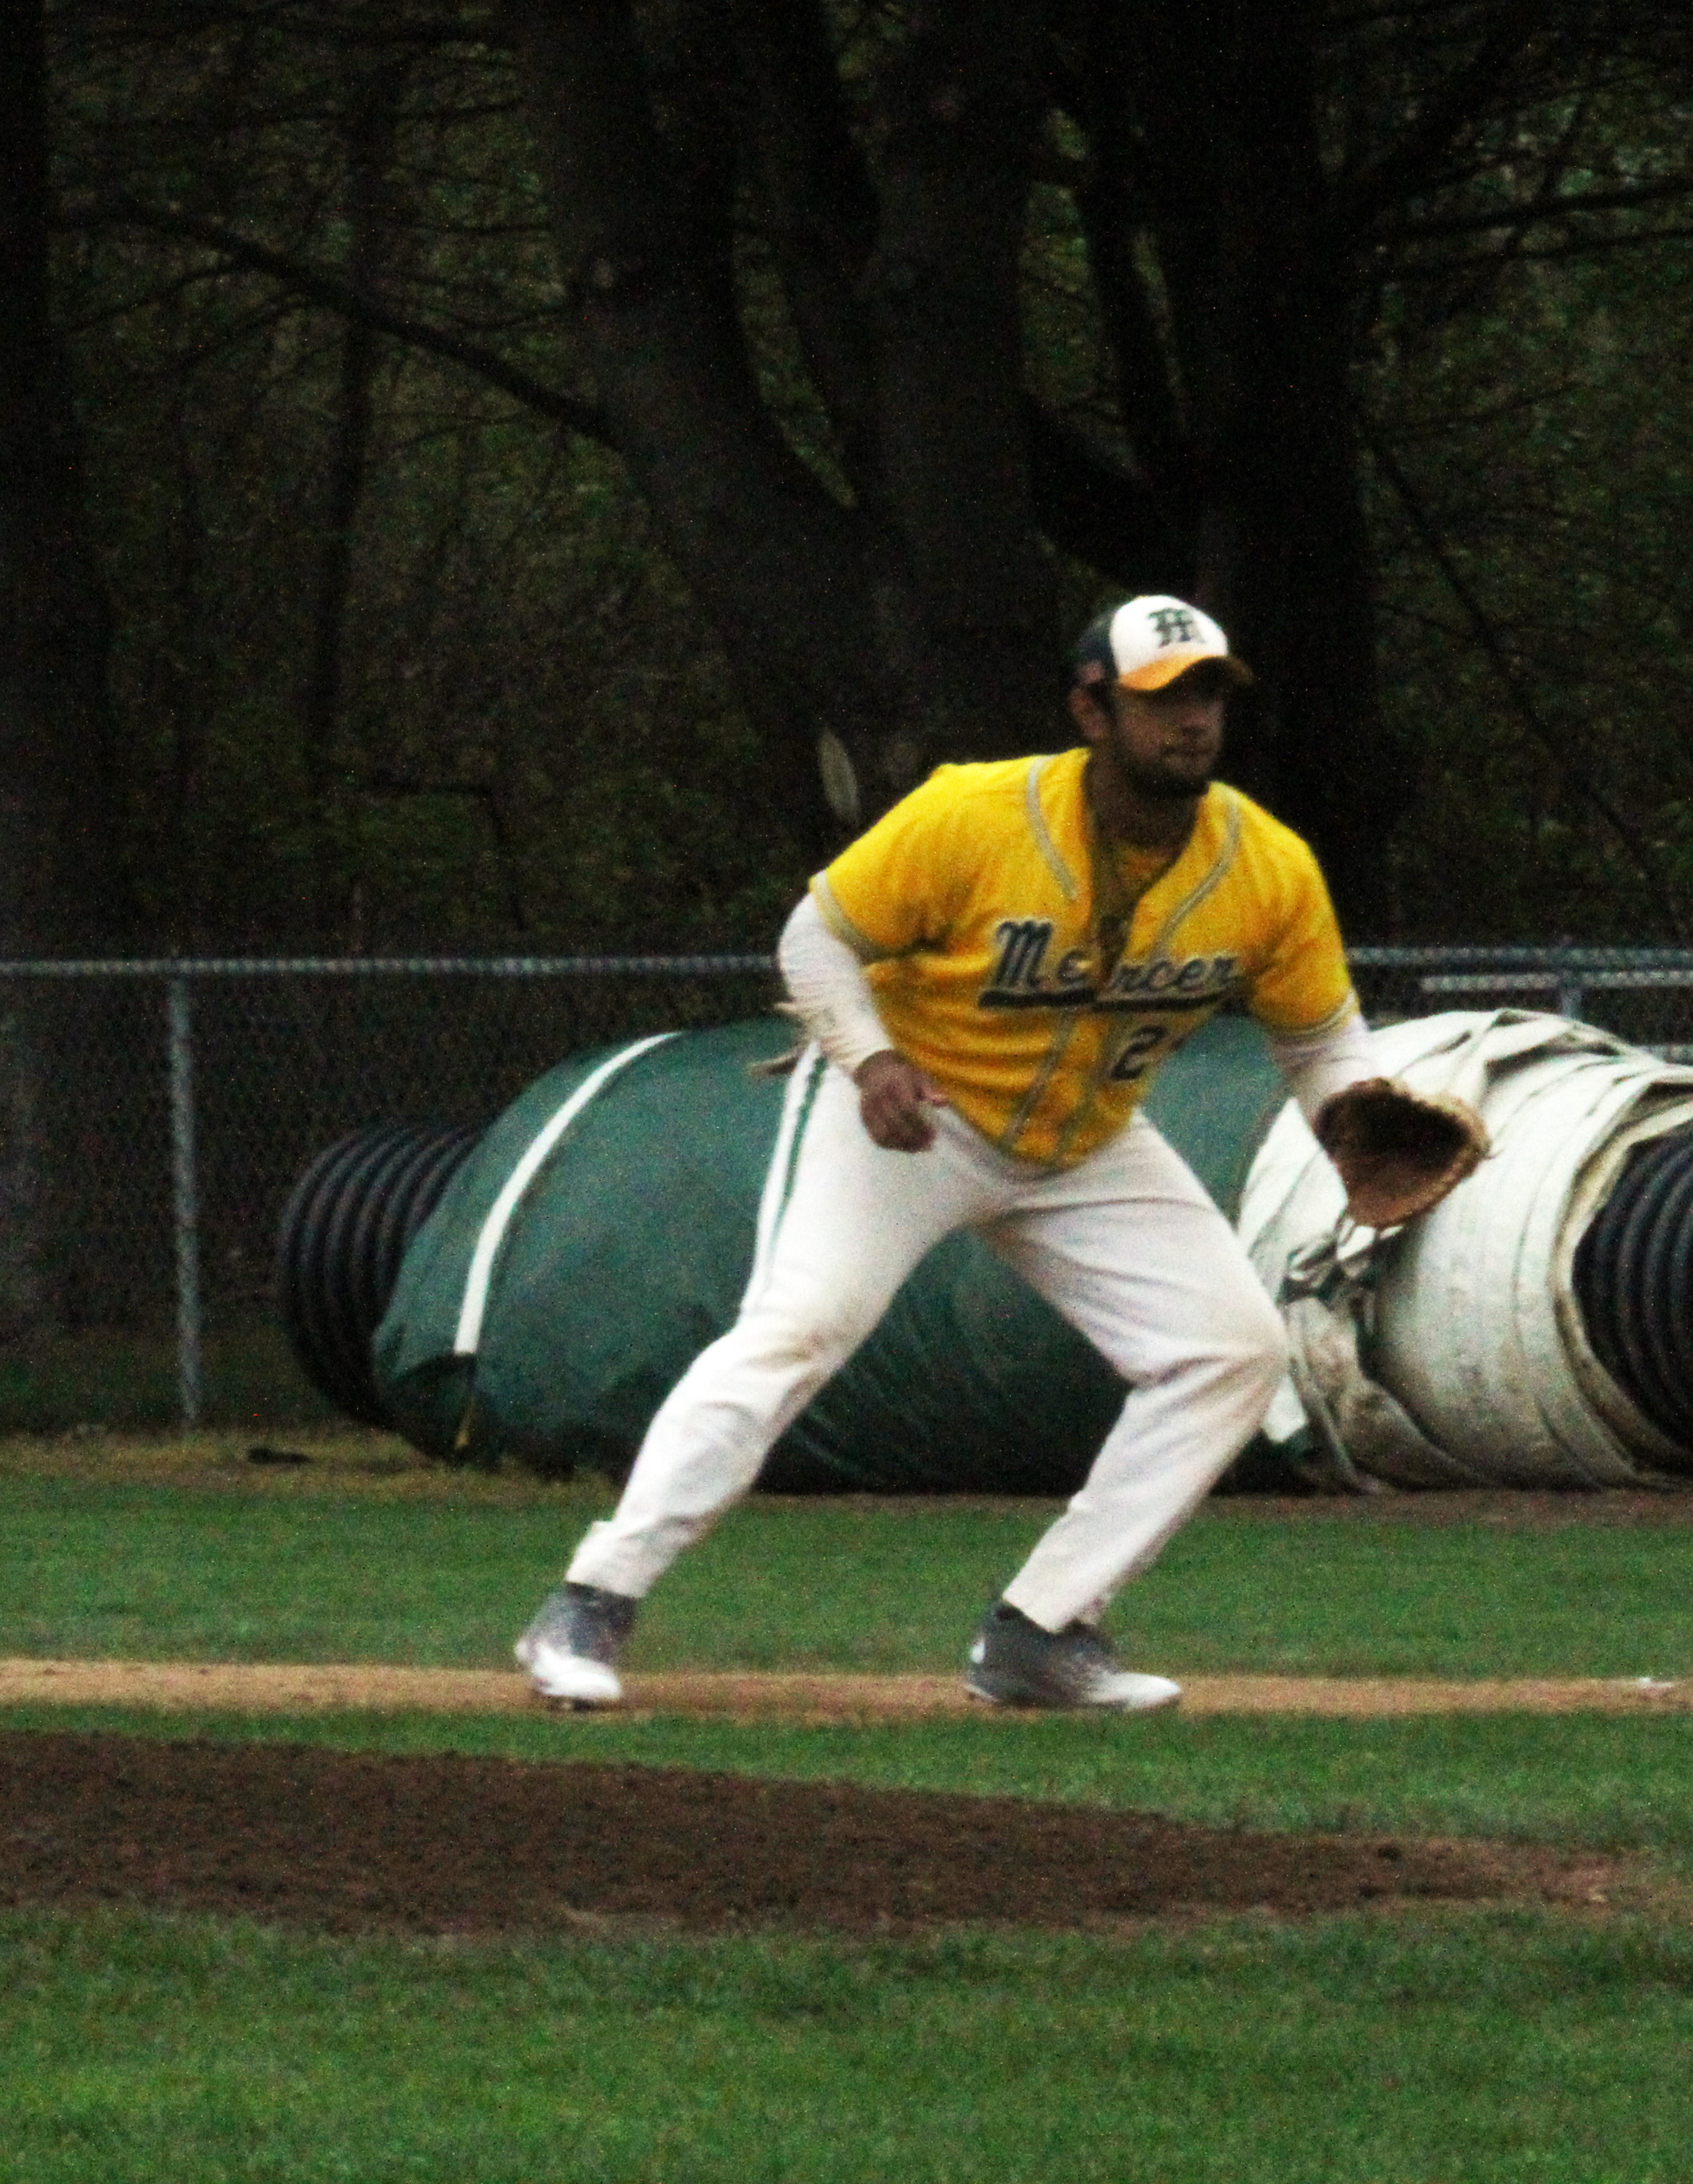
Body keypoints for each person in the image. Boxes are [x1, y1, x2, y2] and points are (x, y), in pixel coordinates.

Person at [514, 596, 1429, 1715]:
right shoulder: (977, 814)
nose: (1193, 720)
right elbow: (817, 936)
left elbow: (1318, 1034)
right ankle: (593, 1599)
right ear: (1091, 708)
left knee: (1231, 1351)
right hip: (920, 1115)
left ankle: (1042, 1631)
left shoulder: (1266, 865)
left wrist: (1360, 1116)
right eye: (1162, 697)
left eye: (1209, 695)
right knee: (798, 1331)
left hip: (1087, 1144)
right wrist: (869, 1059)